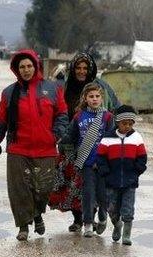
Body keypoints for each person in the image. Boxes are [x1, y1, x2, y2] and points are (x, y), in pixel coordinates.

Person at [0, 49, 68, 241]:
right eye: (22, 67)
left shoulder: (52, 89)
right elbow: (1, 122)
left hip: (46, 148)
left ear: (36, 66)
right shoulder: (9, 93)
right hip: (18, 149)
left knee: (43, 189)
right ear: (16, 69)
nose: (26, 70)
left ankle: (37, 214)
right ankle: (23, 226)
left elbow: (62, 115)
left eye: (29, 66)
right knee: (19, 189)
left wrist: (55, 135)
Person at [49, 52, 120, 233]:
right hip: (71, 141)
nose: (81, 71)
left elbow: (115, 110)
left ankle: (93, 216)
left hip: (97, 143)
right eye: (78, 68)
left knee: (95, 183)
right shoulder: (64, 88)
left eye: (85, 68)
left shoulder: (102, 87)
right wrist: (60, 137)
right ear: (73, 69)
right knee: (74, 183)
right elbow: (56, 112)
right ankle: (78, 219)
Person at [60, 83, 115, 237]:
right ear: (85, 98)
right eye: (91, 96)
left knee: (103, 194)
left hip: (103, 162)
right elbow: (71, 135)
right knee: (88, 193)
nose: (94, 99)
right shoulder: (79, 116)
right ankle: (88, 223)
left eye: (97, 96)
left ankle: (103, 217)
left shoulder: (107, 117)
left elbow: (112, 139)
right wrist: (61, 141)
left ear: (102, 98)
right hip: (86, 162)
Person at [97, 105, 147, 245]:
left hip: (130, 181)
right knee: (112, 209)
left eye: (130, 124)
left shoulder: (136, 137)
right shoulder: (107, 138)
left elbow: (142, 157)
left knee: (128, 208)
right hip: (111, 181)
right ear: (117, 122)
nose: (127, 126)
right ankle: (117, 225)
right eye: (124, 123)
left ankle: (127, 234)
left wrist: (137, 170)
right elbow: (100, 157)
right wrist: (105, 171)